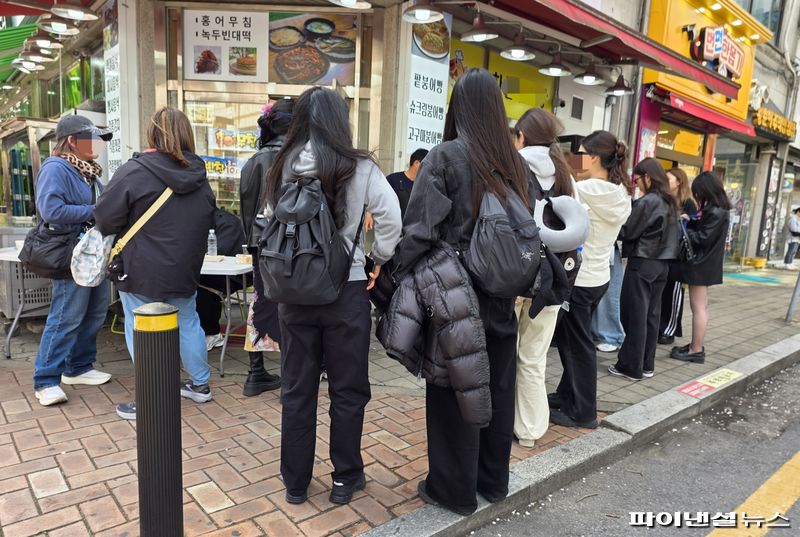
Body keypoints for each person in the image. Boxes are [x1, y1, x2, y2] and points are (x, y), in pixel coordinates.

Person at [393, 68, 530, 515]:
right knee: (498, 386)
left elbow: (419, 229)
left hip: (455, 296)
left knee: (455, 390)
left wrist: (398, 272)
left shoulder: (446, 156)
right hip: (503, 297)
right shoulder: (516, 164)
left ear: (458, 107)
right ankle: (493, 482)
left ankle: (452, 490)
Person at [264, 87, 401, 505]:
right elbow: (392, 220)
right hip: (347, 288)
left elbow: (268, 221)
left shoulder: (282, 164)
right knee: (347, 387)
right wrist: (375, 258)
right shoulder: (358, 166)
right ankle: (345, 478)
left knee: (297, 388)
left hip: (293, 292)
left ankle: (296, 483)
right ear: (341, 121)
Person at [94, 108, 216, 420]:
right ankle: (200, 385)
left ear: (153, 134)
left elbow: (105, 218)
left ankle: (151, 397)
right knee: (188, 321)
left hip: (140, 268)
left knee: (141, 326)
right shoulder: (200, 176)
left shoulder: (136, 170)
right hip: (185, 268)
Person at [511, 108, 584, 448]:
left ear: (521, 136)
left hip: (513, 278)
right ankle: (530, 430)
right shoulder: (567, 179)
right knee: (534, 357)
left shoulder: (510, 167)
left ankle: (500, 426)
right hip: (554, 279)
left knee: (505, 355)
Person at [550, 131, 632, 429]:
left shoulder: (586, 188)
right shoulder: (620, 192)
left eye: (581, 153)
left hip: (580, 279)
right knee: (572, 339)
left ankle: (583, 412)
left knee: (578, 345)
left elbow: (559, 187)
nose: (576, 159)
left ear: (594, 157)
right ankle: (566, 393)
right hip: (599, 276)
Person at [31, 115, 113, 406]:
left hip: (90, 254)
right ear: (71, 141)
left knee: (94, 311)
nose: (98, 145)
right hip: (71, 254)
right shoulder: (56, 167)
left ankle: (78, 367)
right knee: (66, 315)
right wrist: (93, 211)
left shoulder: (87, 171)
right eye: (92, 139)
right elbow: (51, 210)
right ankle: (46, 379)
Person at [237, 99, 293, 396]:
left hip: (260, 246)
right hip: (292, 248)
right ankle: (289, 380)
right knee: (291, 308)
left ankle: (255, 372)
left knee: (259, 304)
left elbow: (246, 211)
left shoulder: (253, 161)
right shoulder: (297, 160)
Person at [608, 158, 679, 381]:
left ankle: (630, 366)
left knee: (634, 316)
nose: (636, 183)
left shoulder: (648, 202)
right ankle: (647, 364)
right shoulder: (669, 201)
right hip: (662, 265)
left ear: (648, 177)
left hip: (643, 262)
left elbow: (628, 231)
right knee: (651, 316)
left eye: (637, 179)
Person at [670, 171, 731, 364]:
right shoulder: (719, 209)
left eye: (698, 192)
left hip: (701, 265)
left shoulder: (715, 211)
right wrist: (694, 220)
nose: (696, 196)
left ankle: (695, 350)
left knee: (698, 308)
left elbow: (703, 238)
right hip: (707, 264)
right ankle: (695, 347)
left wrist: (682, 232)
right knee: (701, 306)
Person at [195, 207, 246, 349]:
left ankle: (211, 334)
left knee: (200, 288)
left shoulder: (226, 223)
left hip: (232, 274)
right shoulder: (203, 220)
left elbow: (219, 252)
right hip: (213, 272)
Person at [658, 168, 698, 345]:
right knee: (660, 293)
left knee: (673, 293)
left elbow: (691, 230)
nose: (665, 181)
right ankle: (660, 327)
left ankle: (669, 330)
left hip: (677, 257)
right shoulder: (663, 199)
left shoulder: (688, 203)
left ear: (679, 181)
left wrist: (684, 219)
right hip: (661, 254)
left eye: (669, 178)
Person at [591, 243, 625, 353]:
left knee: (609, 294)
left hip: (610, 248)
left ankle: (612, 337)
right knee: (600, 292)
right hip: (601, 248)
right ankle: (602, 333)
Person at [385, 148, 428, 217]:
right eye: (427, 165)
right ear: (416, 163)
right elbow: (378, 198)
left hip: (415, 226)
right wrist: (369, 213)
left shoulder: (426, 185)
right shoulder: (393, 179)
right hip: (395, 225)